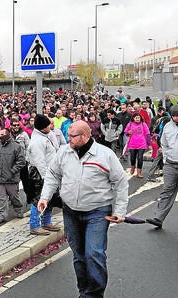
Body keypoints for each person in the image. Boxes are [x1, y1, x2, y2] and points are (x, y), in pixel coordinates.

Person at [38, 121, 128, 298]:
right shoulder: (64, 152)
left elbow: (120, 183)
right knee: (79, 256)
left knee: (94, 254)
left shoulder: (105, 155)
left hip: (98, 211)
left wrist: (119, 211)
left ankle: (94, 294)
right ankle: (84, 291)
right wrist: (45, 197)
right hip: (71, 211)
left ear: (85, 136)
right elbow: (53, 174)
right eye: (68, 135)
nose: (68, 139)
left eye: (72, 136)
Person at [145, 105, 178, 230]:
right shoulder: (168, 126)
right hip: (171, 165)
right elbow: (164, 143)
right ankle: (158, 217)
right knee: (166, 192)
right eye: (174, 116)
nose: (176, 119)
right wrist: (166, 160)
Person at [26, 114, 61, 235]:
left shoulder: (47, 135)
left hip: (51, 170)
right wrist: (46, 177)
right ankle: (34, 225)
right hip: (39, 174)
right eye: (47, 125)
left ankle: (46, 221)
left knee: (50, 197)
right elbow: (39, 161)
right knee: (39, 198)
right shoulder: (36, 141)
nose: (50, 127)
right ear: (42, 128)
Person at [0, 128, 26, 224]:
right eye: (0, 134)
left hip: (11, 177)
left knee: (14, 196)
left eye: (2, 134)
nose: (0, 136)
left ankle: (19, 209)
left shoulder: (16, 147)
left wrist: (13, 171)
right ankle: (1, 215)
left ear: (8, 135)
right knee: (0, 198)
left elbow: (21, 161)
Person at [124, 112, 150, 178]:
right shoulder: (130, 124)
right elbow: (126, 132)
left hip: (142, 144)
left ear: (140, 118)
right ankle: (133, 167)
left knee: (140, 158)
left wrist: (149, 143)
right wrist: (128, 132)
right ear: (133, 118)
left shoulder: (143, 124)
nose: (137, 119)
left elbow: (147, 134)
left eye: (138, 118)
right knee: (132, 158)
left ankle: (139, 173)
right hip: (132, 144)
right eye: (136, 118)